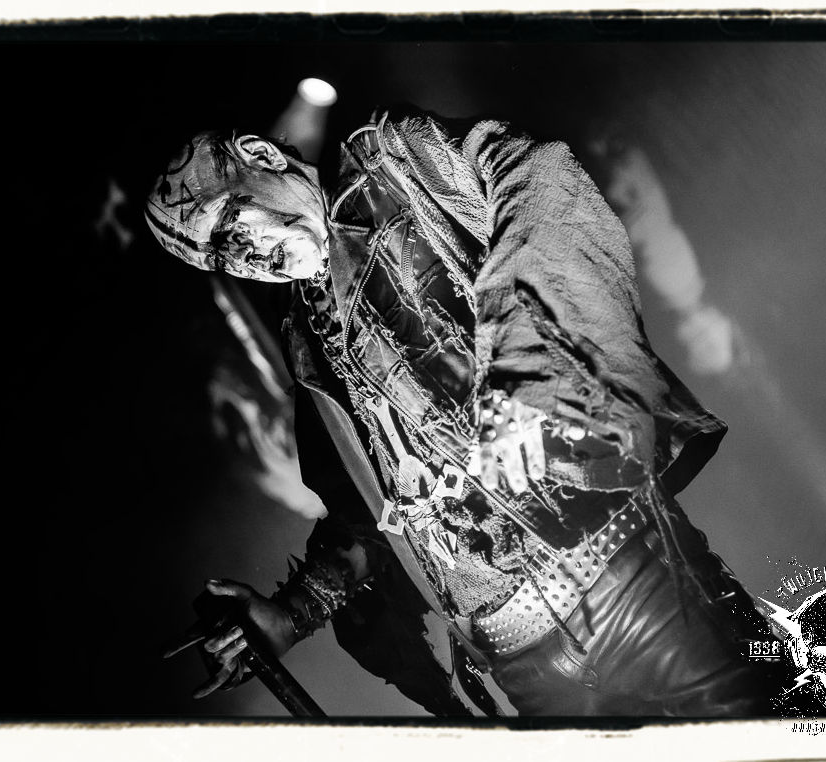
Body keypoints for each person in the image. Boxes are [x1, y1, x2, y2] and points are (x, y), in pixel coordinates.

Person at [145, 106, 780, 716]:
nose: (247, 257)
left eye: (234, 225)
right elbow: (371, 514)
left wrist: (530, 373)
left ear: (261, 157)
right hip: (524, 668)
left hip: (635, 582)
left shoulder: (392, 160)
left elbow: (538, 174)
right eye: (222, 258)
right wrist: (292, 613)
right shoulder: (306, 336)